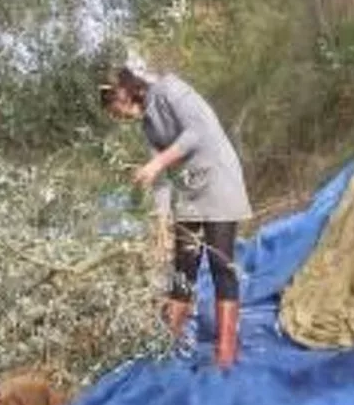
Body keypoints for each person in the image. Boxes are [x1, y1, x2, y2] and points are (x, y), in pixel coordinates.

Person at [100, 65, 251, 369]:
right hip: (189, 192)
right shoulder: (147, 124)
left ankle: (225, 350)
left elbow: (198, 131)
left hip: (218, 179)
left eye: (114, 107)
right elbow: (161, 178)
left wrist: (157, 162)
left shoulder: (171, 89)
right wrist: (161, 220)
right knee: (184, 265)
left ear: (125, 92)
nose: (116, 115)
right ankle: (169, 338)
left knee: (221, 262)